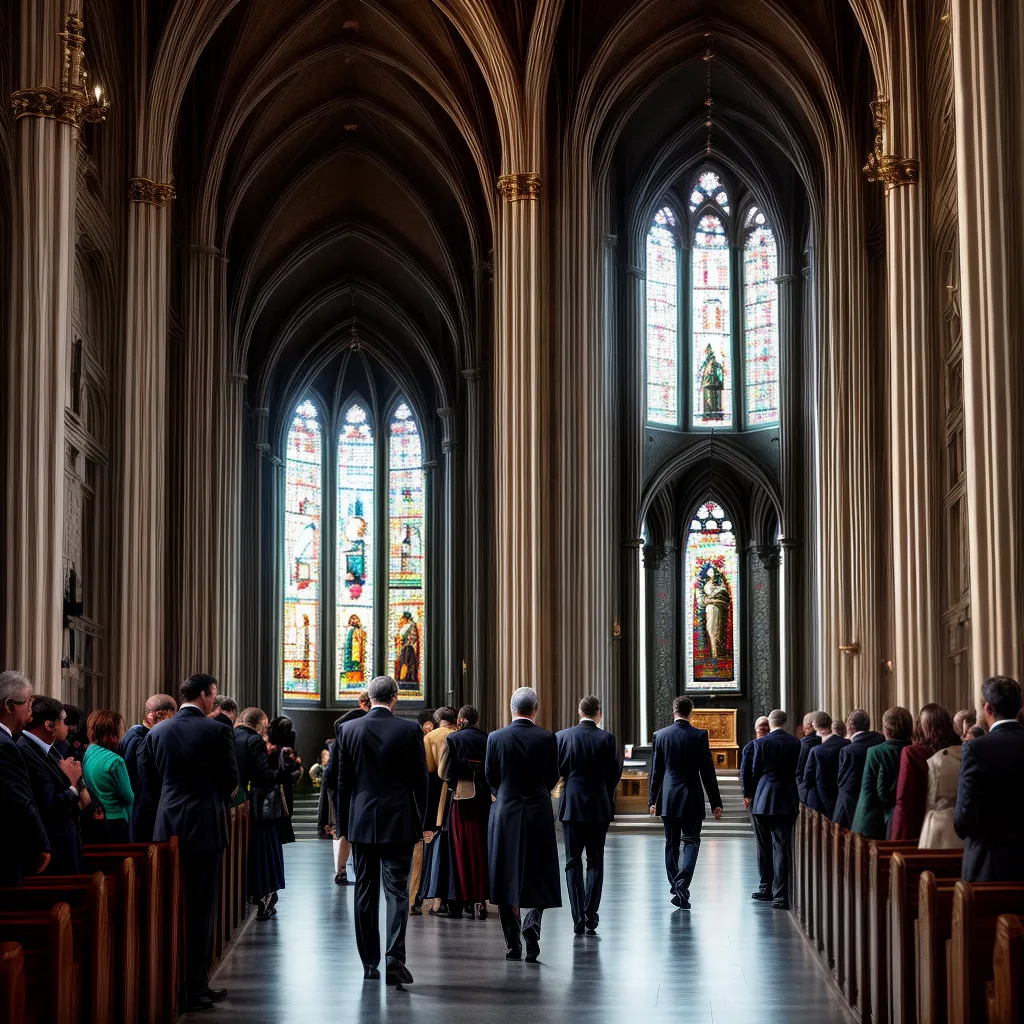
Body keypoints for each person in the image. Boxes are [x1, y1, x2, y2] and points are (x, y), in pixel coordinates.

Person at [138, 673, 238, 1013]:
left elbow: (149, 783)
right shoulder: (219, 730)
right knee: (201, 907)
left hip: (166, 827)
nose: (214, 700)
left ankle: (170, 982)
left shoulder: (158, 731)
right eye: (213, 694)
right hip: (205, 827)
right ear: (204, 695)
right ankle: (195, 985)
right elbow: (229, 781)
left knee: (167, 905)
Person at [334, 675, 426, 985]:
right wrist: (420, 822)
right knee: (397, 892)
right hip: (398, 821)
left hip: (361, 822)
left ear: (370, 698)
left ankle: (369, 963)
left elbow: (342, 784)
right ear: (395, 698)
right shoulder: (409, 729)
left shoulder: (348, 730)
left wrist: (344, 827)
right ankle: (394, 958)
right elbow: (419, 781)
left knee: (364, 891)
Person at [486, 687, 561, 962]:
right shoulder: (547, 738)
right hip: (538, 810)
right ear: (535, 709)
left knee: (505, 873)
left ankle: (513, 944)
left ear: (511, 707)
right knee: (540, 870)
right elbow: (553, 775)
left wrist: (506, 792)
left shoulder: (495, 738)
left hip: (506, 811)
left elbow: (490, 775)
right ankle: (533, 921)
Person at [648, 695, 723, 911]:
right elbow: (707, 771)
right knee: (691, 841)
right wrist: (715, 801)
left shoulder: (660, 736)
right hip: (691, 795)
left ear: (673, 711)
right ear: (691, 712)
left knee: (671, 843)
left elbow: (656, 772)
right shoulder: (699, 735)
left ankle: (675, 884)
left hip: (669, 797)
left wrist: (653, 800)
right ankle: (682, 883)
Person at [556, 694, 621, 935]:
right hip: (597, 806)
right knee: (595, 861)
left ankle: (577, 917)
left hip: (572, 806)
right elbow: (614, 773)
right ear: (598, 714)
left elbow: (558, 769)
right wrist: (602, 791)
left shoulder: (562, 737)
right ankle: (591, 914)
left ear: (579, 712)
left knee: (572, 862)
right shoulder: (607, 739)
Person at [954, 676, 1024, 881]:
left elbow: (963, 820)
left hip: (988, 865)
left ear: (988, 708)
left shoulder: (976, 749)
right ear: (1020, 707)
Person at [16, 696, 88, 874]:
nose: (66, 727)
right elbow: (48, 805)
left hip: (66, 842)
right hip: (55, 848)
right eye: (63, 721)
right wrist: (72, 784)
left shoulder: (48, 748)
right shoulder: (26, 750)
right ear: (49, 725)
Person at [234, 707, 289, 919]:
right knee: (265, 849)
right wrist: (280, 772)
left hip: (237, 804)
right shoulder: (254, 740)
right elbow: (264, 776)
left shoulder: (231, 734)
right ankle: (265, 894)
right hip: (257, 808)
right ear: (260, 724)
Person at [439, 705, 491, 920]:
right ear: (476, 719)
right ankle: (480, 901)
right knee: (480, 848)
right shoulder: (488, 738)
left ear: (461, 719)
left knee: (460, 850)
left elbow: (445, 772)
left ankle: (461, 902)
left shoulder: (454, 739)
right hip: (484, 799)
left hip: (461, 798)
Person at [0, 671, 50, 884]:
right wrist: (42, 844)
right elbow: (20, 800)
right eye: (28, 703)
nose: (31, 711)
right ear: (10, 706)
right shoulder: (4, 745)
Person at [749, 708, 802, 909]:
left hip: (763, 798)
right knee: (781, 846)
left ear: (770, 723)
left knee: (764, 846)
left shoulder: (761, 743)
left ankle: (766, 888)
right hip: (787, 798)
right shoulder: (795, 742)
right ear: (785, 722)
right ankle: (781, 895)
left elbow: (755, 771)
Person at [890, 703, 961, 842]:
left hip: (921, 829)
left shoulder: (912, 753)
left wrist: (898, 837)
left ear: (922, 726)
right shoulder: (961, 752)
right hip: (955, 830)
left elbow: (904, 799)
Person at [119, 693, 177, 841]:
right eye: (174, 716)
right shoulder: (142, 740)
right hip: (145, 810)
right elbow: (145, 780)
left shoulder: (134, 734)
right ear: (161, 714)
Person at [850, 706, 913, 839]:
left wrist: (859, 826)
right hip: (907, 819)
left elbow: (867, 791)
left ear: (887, 729)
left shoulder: (875, 752)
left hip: (874, 822)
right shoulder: (914, 751)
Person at [421, 707, 458, 915]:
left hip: (437, 794)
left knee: (437, 844)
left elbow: (430, 767)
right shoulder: (459, 736)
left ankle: (435, 894)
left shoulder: (430, 737)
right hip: (460, 793)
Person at [81, 710, 134, 843]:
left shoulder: (89, 752)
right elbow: (128, 796)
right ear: (109, 734)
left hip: (95, 820)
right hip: (116, 821)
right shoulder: (115, 761)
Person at [832, 709, 885, 829]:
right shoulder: (880, 742)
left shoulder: (848, 750)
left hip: (852, 807)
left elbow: (842, 782)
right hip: (877, 807)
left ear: (850, 726)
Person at [801, 712, 848, 819]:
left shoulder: (816, 750)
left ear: (814, 726)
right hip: (842, 800)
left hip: (821, 803)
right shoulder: (846, 744)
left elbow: (807, 779)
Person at [267, 716, 302, 845]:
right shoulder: (277, 750)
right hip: (281, 783)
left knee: (286, 810)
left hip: (284, 782)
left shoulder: (278, 747)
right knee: (283, 809)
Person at [796, 711, 827, 801]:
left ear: (808, 727)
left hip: (807, 792)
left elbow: (799, 770)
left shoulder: (803, 744)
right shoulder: (825, 740)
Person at [741, 717, 770, 810]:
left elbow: (746, 773)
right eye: (763, 729)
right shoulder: (750, 747)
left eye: (767, 729)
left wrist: (747, 795)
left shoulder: (750, 747)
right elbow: (746, 772)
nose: (765, 732)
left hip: (757, 790)